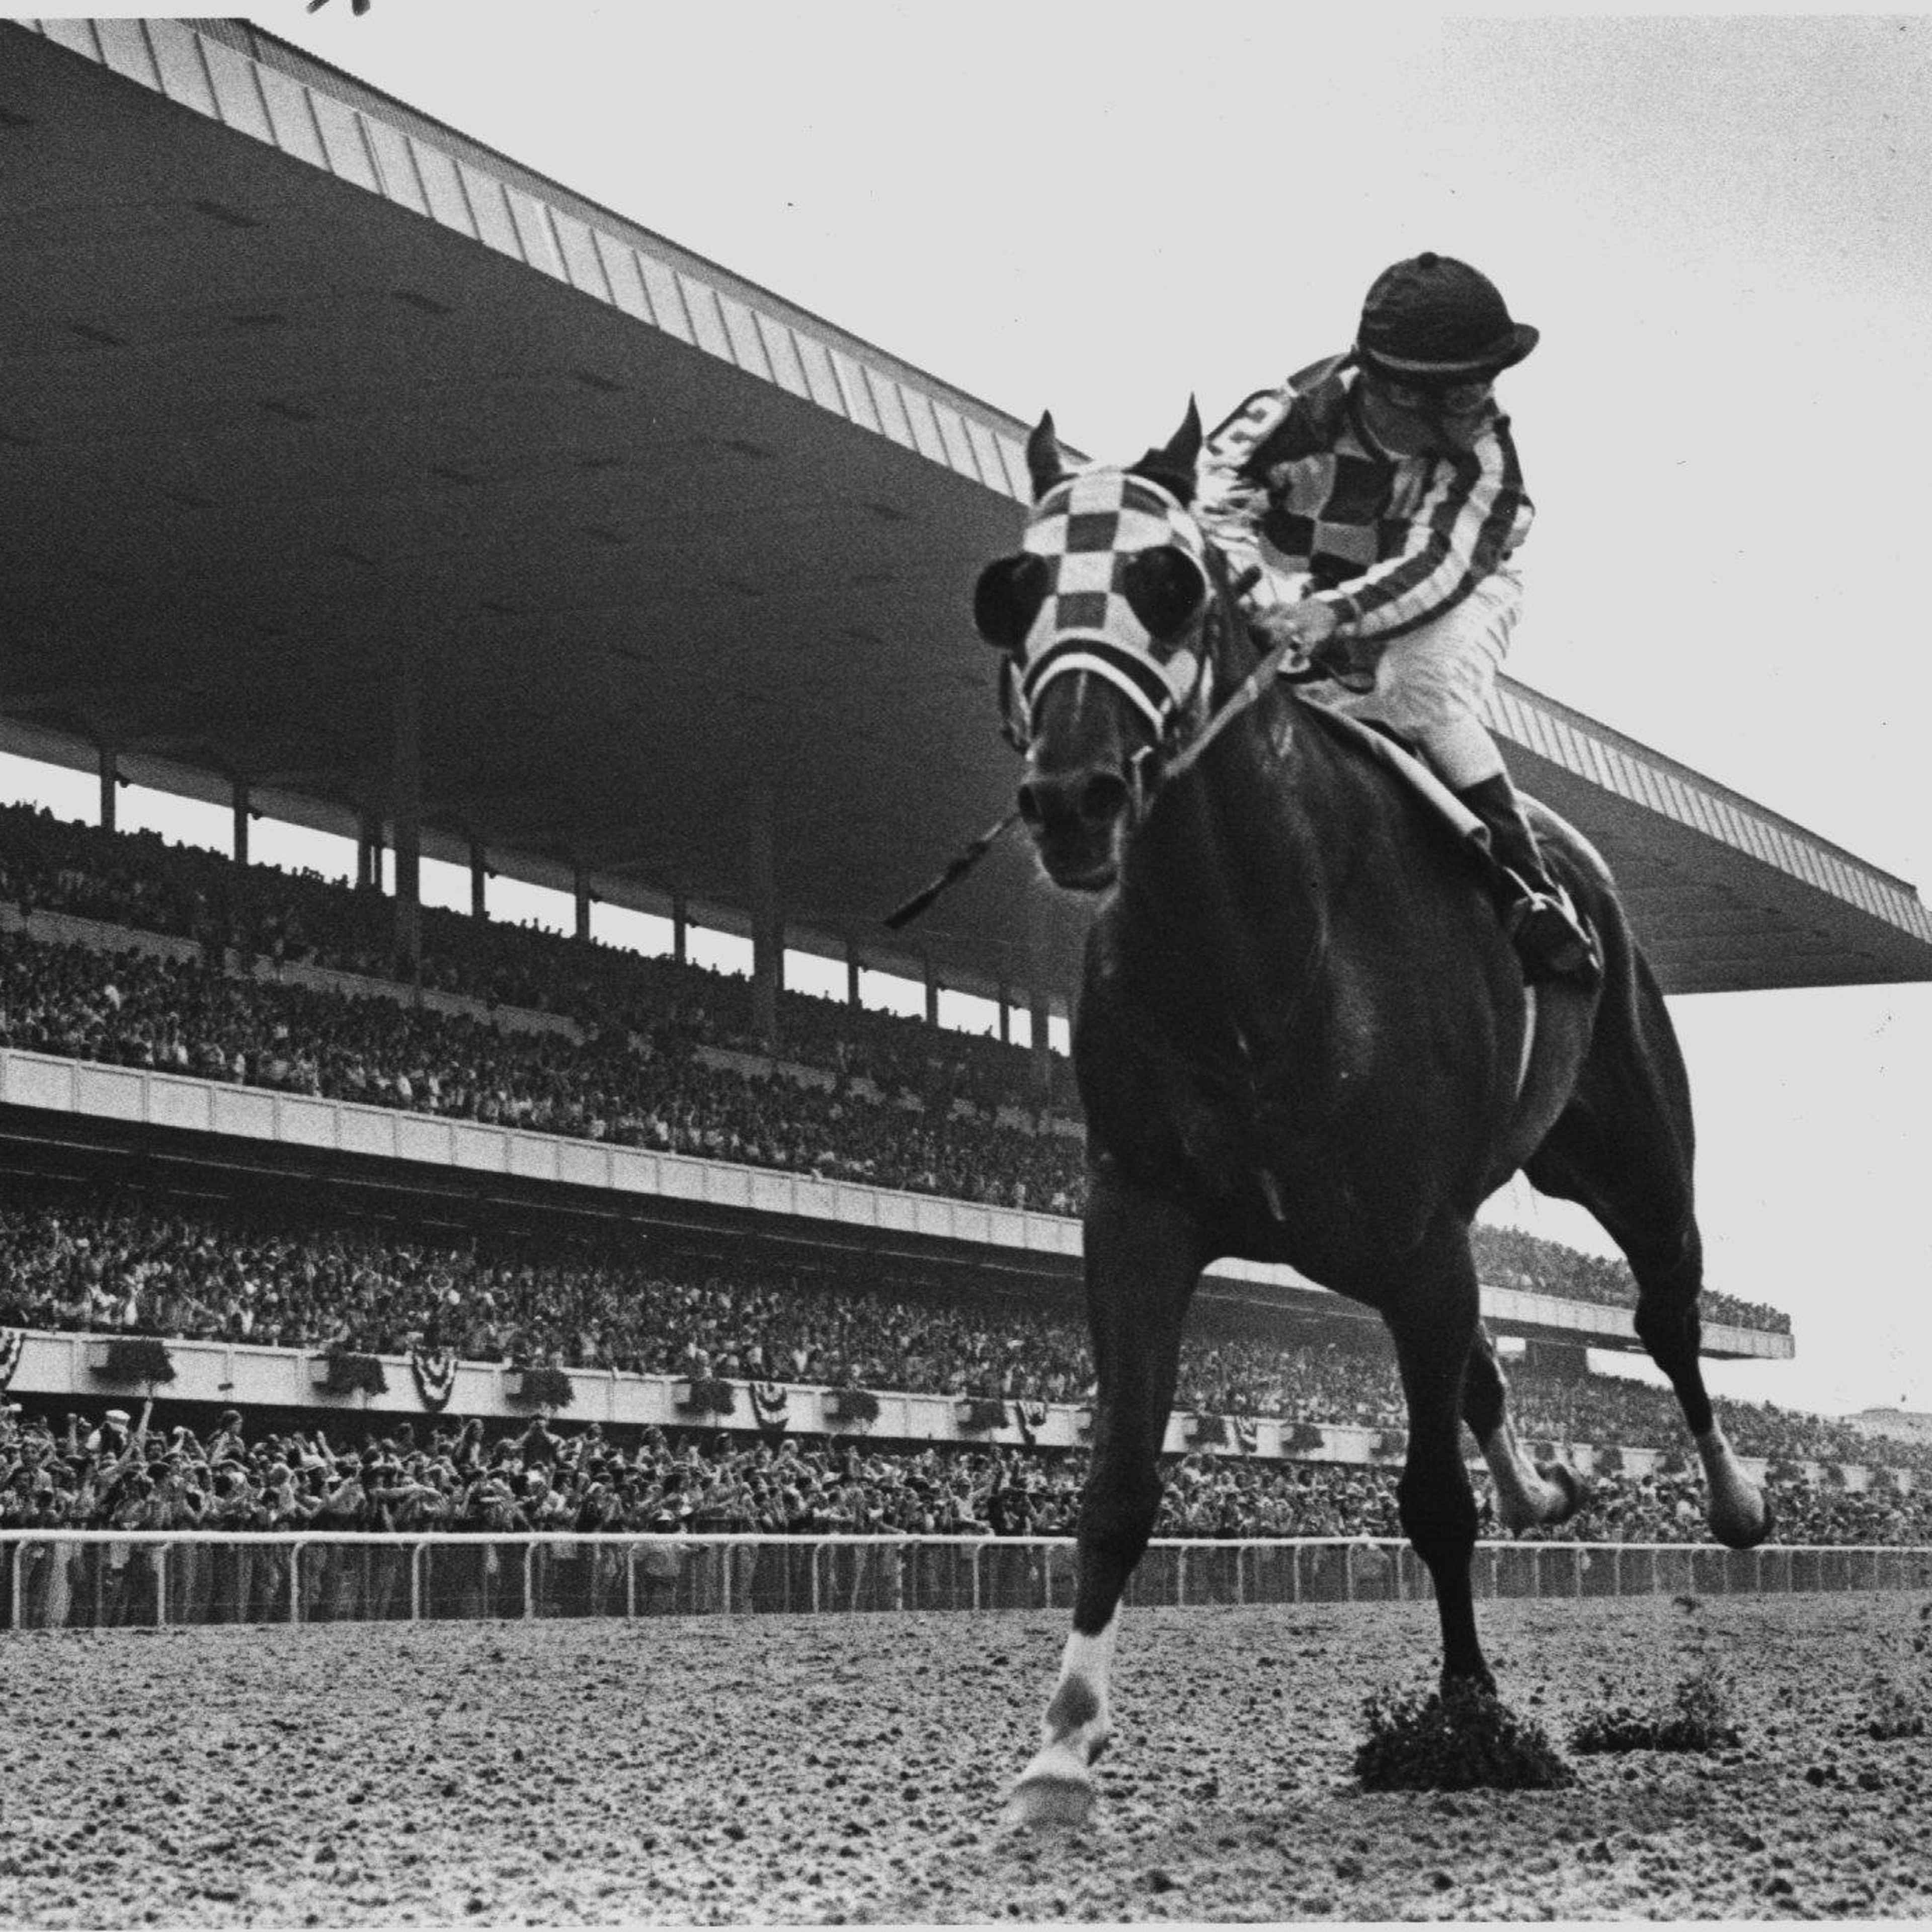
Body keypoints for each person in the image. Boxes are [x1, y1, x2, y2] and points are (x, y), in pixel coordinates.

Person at [1199, 252, 1599, 984]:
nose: (1483, 411)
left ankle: (1528, 883)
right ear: (1398, 389)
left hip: (1456, 589)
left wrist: (1334, 613)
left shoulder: (1488, 455)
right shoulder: (1284, 415)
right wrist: (1261, 602)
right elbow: (1209, 504)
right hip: (1299, 587)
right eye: (1464, 395)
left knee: (1418, 681)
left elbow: (1439, 564)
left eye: (1485, 387)